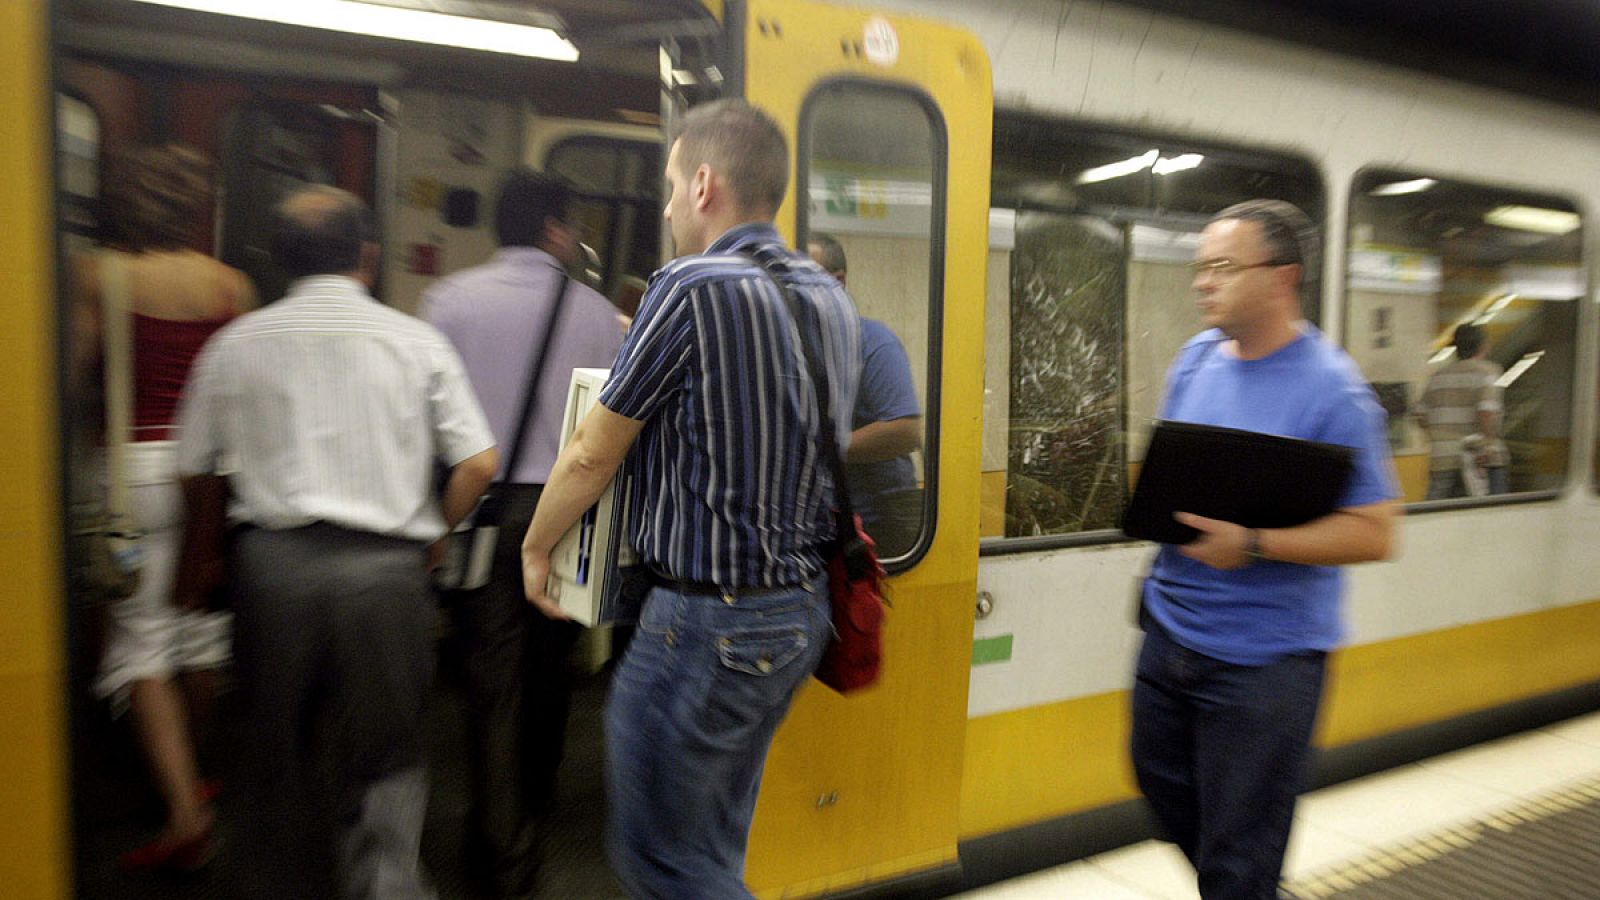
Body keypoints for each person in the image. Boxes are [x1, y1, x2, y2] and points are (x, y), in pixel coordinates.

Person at [519, 99, 860, 898]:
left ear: (704, 184)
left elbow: (591, 453)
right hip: (800, 610)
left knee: (661, 859)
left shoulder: (690, 285)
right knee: (711, 841)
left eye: (671, 186)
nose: (668, 205)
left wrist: (536, 547)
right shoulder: (830, 297)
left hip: (708, 625)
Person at [174, 185, 498, 900]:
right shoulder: (416, 341)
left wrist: (202, 559)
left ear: (280, 258)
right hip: (386, 572)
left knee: (274, 748)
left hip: (272, 569)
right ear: (368, 256)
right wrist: (437, 533)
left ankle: (276, 881)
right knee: (387, 751)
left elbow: (194, 469)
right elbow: (479, 463)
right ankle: (383, 886)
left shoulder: (235, 342)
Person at [1132, 200, 1398, 899]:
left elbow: (1376, 531)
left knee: (1238, 852)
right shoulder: (1194, 359)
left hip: (1263, 665)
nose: (1202, 282)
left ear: (1283, 278)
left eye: (1222, 267)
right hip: (1170, 636)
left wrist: (1253, 543)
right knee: (1162, 792)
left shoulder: (1336, 391)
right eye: (1200, 268)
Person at [422, 168, 624, 898]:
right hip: (566, 512)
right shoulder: (599, 312)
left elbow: (429, 419)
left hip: (483, 512)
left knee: (490, 680)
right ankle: (531, 807)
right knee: (549, 673)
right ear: (553, 230)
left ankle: (503, 847)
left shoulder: (445, 301)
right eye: (572, 226)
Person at [71, 144, 256, 873]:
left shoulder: (100, 275)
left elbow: (73, 371)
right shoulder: (229, 285)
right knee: (196, 632)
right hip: (209, 473)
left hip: (133, 478)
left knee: (138, 644)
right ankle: (195, 761)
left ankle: (185, 813)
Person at [807, 233, 924, 556]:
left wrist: (821, 448)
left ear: (838, 281)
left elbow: (905, 431)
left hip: (876, 527)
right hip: (817, 528)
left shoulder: (872, 343)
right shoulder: (791, 349)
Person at [1417, 322, 1509, 498]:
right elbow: (1486, 412)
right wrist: (1487, 447)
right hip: (1479, 458)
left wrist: (1441, 437)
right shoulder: (1488, 371)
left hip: (1441, 458)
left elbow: (1420, 416)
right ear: (1483, 345)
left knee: (1438, 513)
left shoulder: (1438, 376)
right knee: (1492, 514)